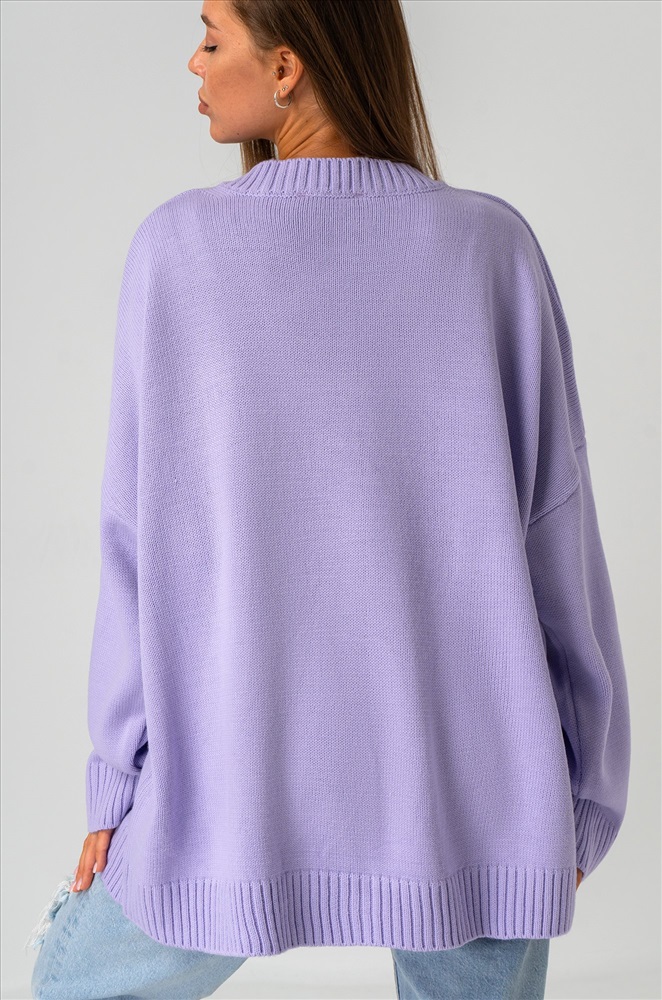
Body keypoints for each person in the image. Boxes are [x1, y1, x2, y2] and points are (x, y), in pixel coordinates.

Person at [27, 1, 631, 998]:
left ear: (287, 67)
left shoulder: (178, 251)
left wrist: (119, 779)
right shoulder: (490, 246)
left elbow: (138, 542)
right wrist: (581, 794)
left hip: (230, 788)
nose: (192, 62)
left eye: (211, 36)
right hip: (477, 795)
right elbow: (555, 539)